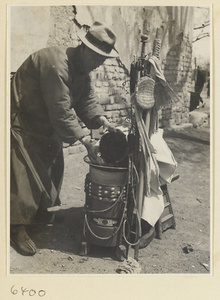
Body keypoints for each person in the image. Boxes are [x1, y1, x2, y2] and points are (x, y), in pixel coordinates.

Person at [10, 21, 119, 256]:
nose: (99, 63)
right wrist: (84, 139)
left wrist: (102, 121)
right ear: (84, 48)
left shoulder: (82, 70)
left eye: (103, 59)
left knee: (52, 168)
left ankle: (39, 217)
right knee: (24, 176)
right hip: (24, 121)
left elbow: (86, 100)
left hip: (46, 123)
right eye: (97, 57)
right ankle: (16, 227)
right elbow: (61, 109)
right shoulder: (57, 63)